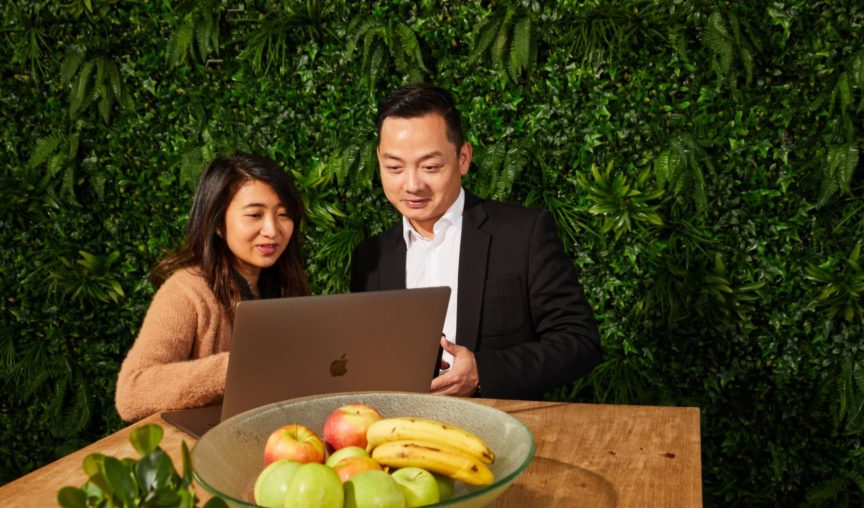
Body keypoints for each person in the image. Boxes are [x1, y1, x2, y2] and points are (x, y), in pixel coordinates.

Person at [351, 84, 602, 400]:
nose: (412, 184)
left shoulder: (523, 233)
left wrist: (483, 371)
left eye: (430, 167)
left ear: (463, 158)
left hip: (499, 433)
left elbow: (579, 341)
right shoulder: (370, 258)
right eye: (394, 167)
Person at [115, 153, 310, 421]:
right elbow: (131, 393)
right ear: (218, 223)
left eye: (283, 215)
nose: (272, 230)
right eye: (254, 214)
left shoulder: (283, 285)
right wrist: (237, 367)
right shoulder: (185, 292)